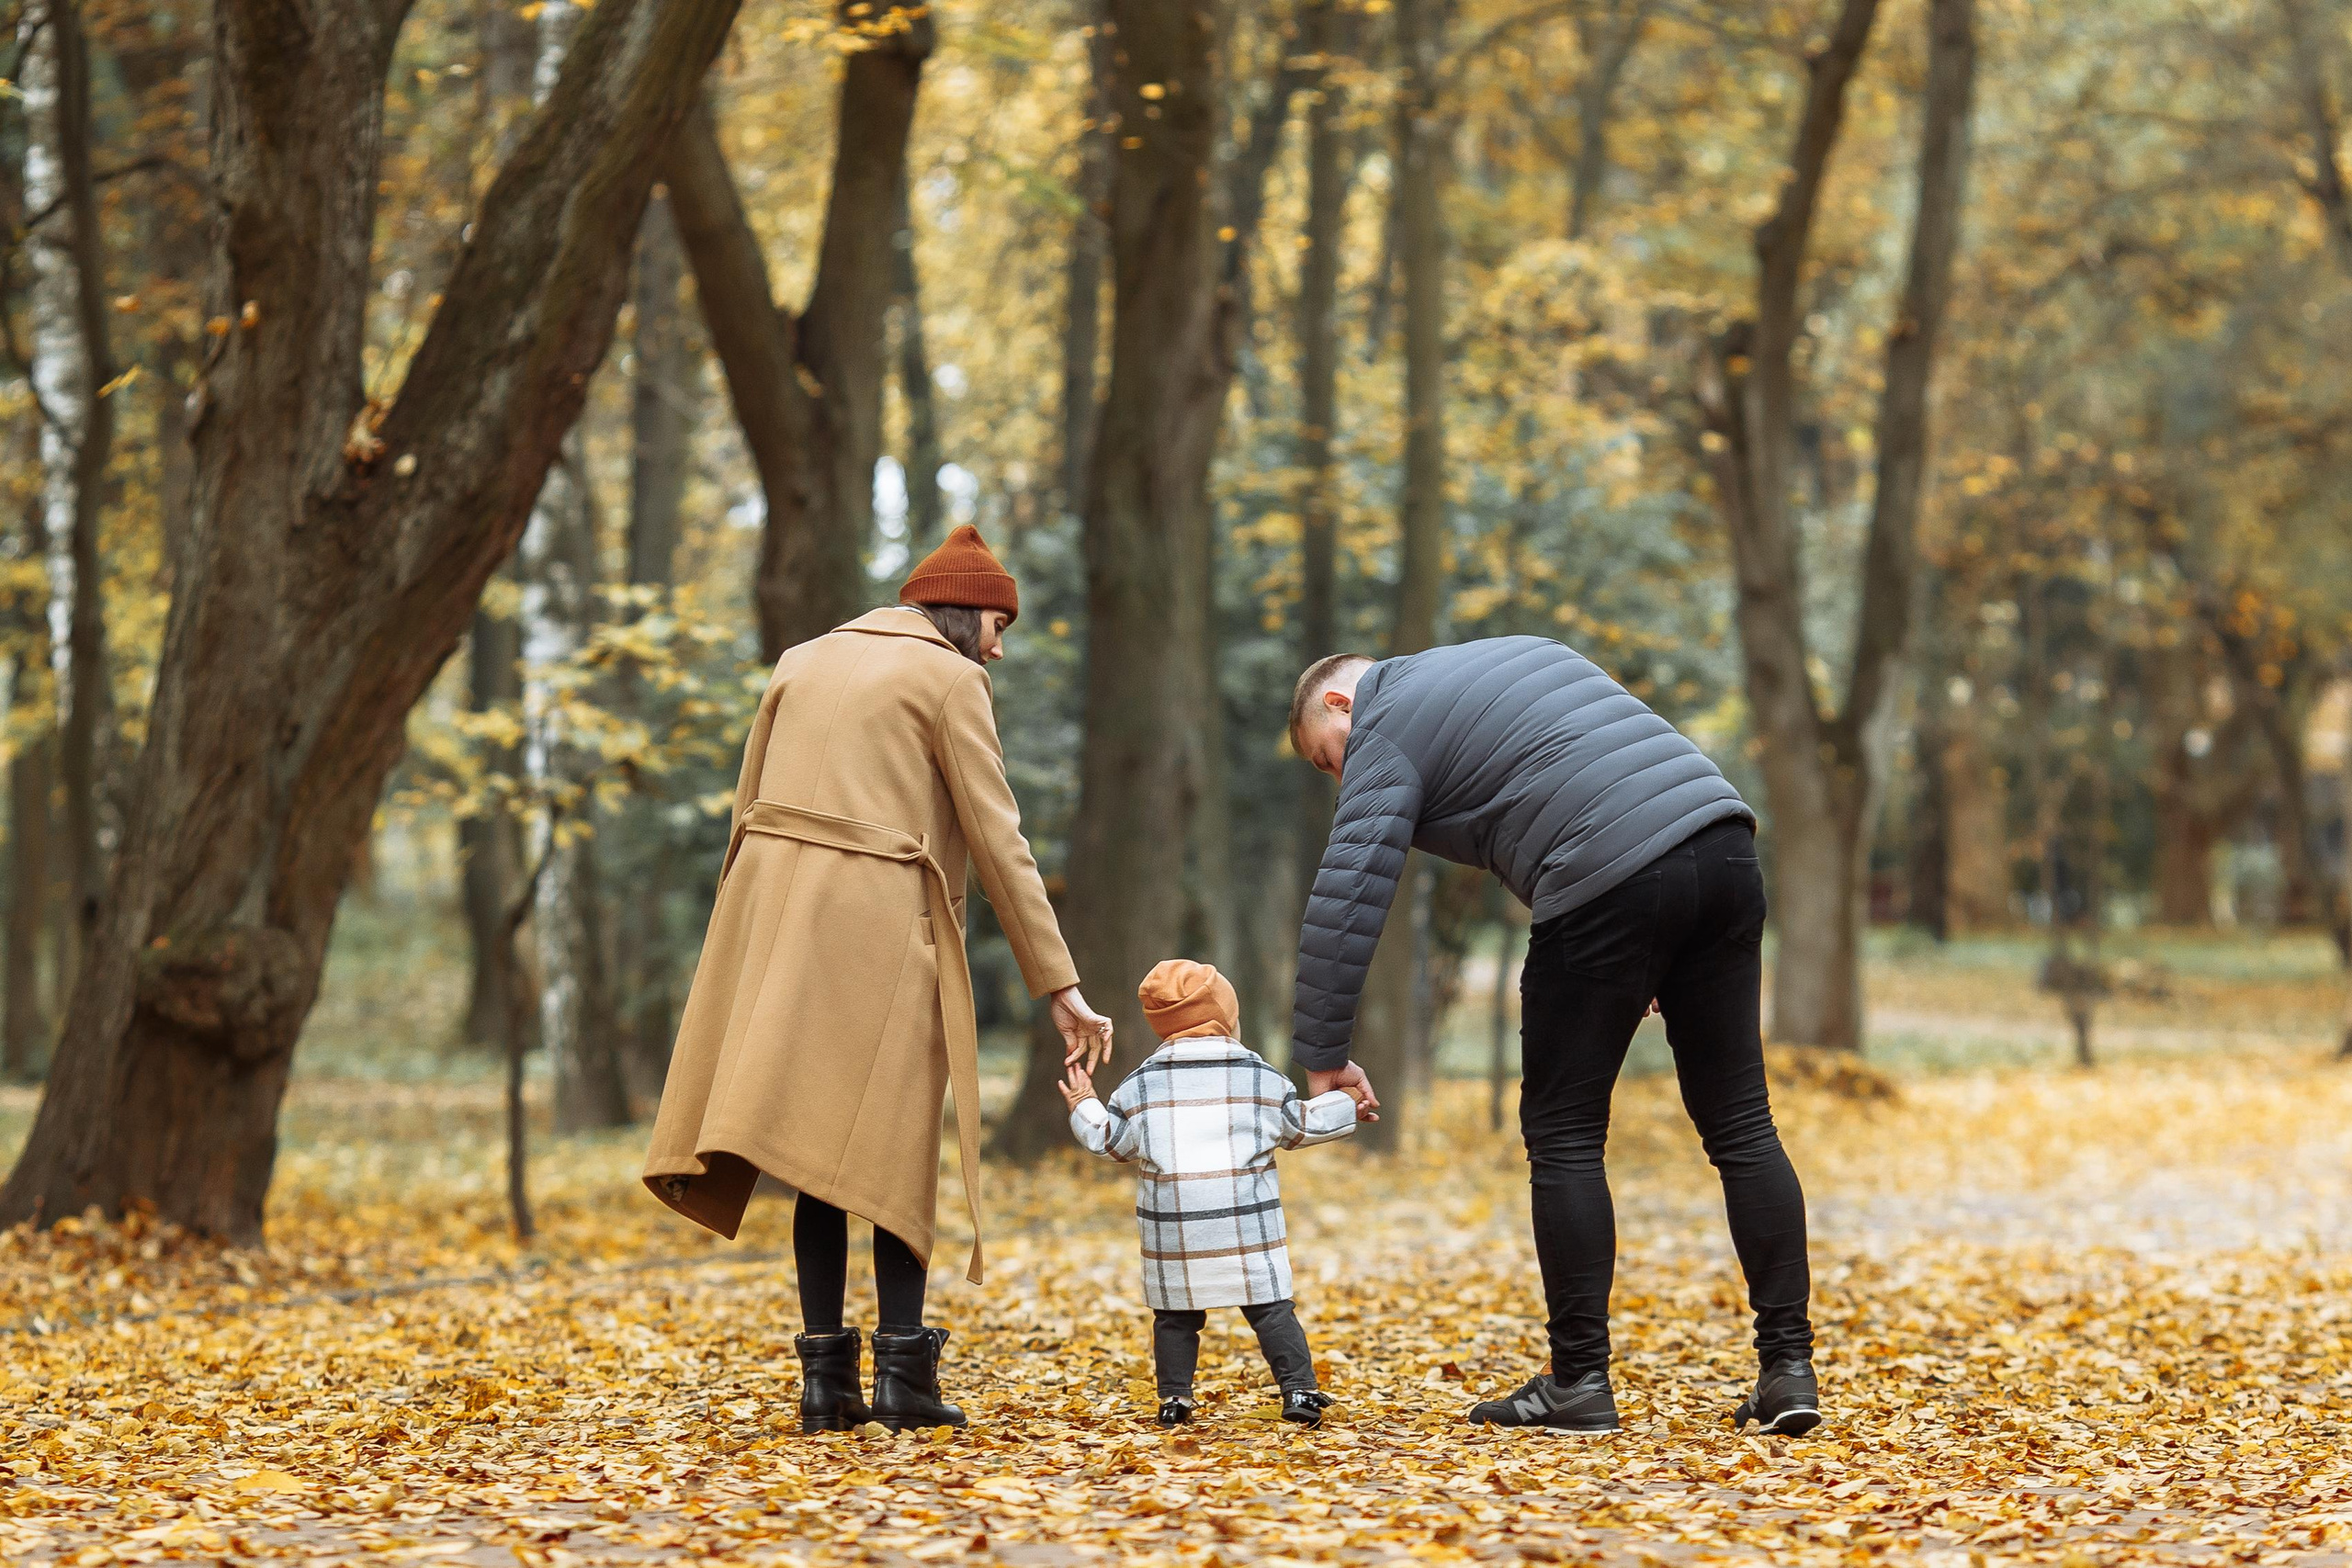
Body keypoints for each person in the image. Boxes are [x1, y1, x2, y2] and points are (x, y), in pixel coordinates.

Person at [644, 525, 1114, 1435]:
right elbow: (997, 837)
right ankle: (903, 1379)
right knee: (893, 1145)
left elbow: (747, 809)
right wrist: (1058, 983)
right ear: (965, 612)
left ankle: (825, 1388)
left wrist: (742, 936)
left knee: (811, 1154)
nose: (1000, 646)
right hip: (880, 928)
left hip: (774, 925)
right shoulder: (950, 679)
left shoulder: (801, 659)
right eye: (997, 624)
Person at [1286, 637, 1818, 1436]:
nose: (1342, 778)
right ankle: (1789, 1369)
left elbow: (1350, 884)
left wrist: (1323, 1051)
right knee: (1742, 1122)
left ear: (1339, 703)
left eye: (1328, 761)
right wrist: (1650, 946)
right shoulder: (1520, 654)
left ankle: (1578, 1381)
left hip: (1611, 868)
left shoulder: (1384, 720)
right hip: (1721, 840)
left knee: (1564, 1133)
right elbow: (1581, 768)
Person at [1062, 960, 1358, 1429]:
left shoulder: (1140, 1087)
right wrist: (1349, 1103)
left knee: (1176, 1319)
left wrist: (1085, 1104)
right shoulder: (1258, 1079)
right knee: (1271, 1310)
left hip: (1176, 1231)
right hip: (1245, 1227)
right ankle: (1299, 1389)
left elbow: (1111, 1141)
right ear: (1225, 1017)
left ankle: (1174, 1401)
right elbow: (1299, 1125)